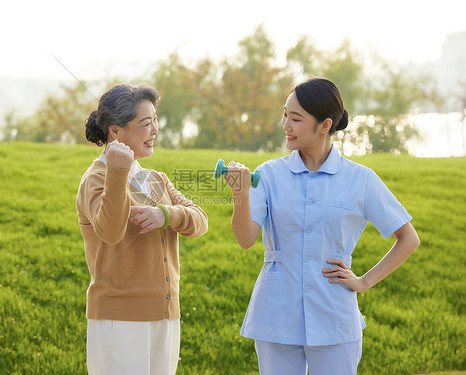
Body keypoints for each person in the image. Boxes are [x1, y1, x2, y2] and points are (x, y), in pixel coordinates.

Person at [223, 77, 420, 375]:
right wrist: (240, 195)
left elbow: (408, 238)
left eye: (296, 118)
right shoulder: (270, 174)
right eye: (284, 114)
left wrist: (364, 281)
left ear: (325, 125)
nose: (285, 124)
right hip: (276, 314)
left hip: (334, 316)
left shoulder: (360, 179)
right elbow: (246, 238)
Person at [76, 83, 208, 375]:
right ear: (116, 131)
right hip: (119, 320)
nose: (155, 130)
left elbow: (200, 220)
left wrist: (166, 215)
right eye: (145, 123)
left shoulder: (157, 179)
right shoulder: (95, 179)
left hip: (165, 315)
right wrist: (118, 172)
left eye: (155, 121)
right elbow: (110, 233)